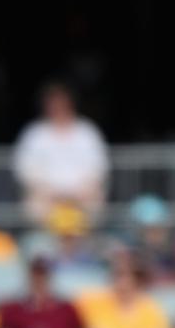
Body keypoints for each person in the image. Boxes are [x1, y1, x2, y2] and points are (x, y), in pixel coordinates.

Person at [12, 83, 109, 226]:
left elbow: (99, 167)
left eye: (61, 102)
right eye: (53, 103)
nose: (58, 107)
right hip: (46, 196)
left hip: (82, 195)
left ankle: (82, 242)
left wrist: (78, 192)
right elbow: (24, 169)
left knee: (95, 199)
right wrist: (51, 192)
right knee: (34, 204)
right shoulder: (34, 133)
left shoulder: (87, 131)